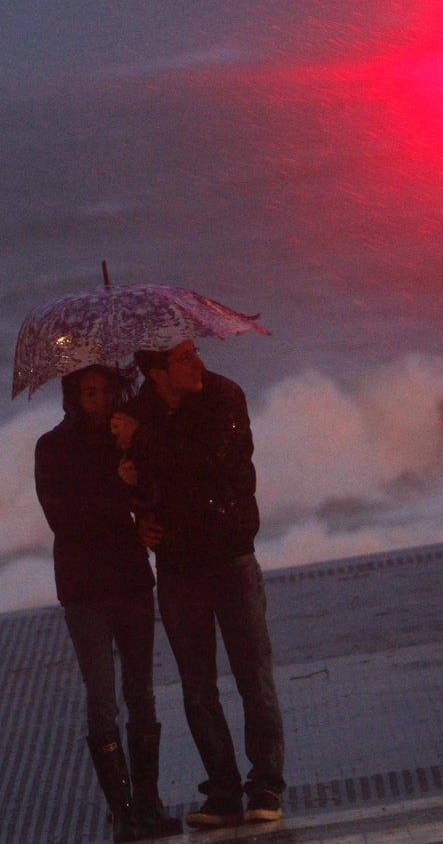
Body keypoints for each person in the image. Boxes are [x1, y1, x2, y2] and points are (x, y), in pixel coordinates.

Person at [111, 340, 286, 828]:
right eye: (185, 359)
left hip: (230, 554)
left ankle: (266, 784)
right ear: (158, 374)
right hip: (178, 563)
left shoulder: (224, 397)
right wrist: (135, 498)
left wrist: (141, 443)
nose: (198, 365)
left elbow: (207, 462)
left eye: (195, 353)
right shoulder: (137, 414)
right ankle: (224, 789)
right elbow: (152, 488)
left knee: (253, 676)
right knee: (197, 686)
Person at [34, 364, 182, 843]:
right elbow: (64, 517)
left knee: (141, 693)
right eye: (87, 393)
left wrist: (135, 472)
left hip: (130, 577)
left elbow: (151, 496)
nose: (96, 401)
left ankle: (149, 802)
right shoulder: (52, 447)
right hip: (84, 586)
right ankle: (122, 813)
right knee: (102, 698)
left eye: (103, 392)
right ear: (73, 397)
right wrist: (118, 488)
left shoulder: (124, 435)